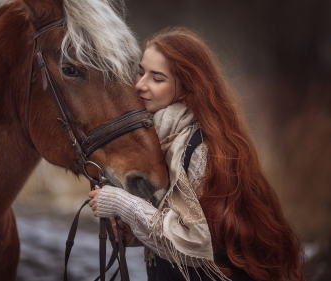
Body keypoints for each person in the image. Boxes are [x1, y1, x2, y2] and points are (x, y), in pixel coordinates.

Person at [88, 27, 305, 281]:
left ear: (186, 88)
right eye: (141, 72)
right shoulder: (164, 138)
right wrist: (132, 234)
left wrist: (122, 203)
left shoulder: (200, 147)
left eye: (157, 79)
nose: (140, 85)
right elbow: (170, 225)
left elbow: (193, 241)